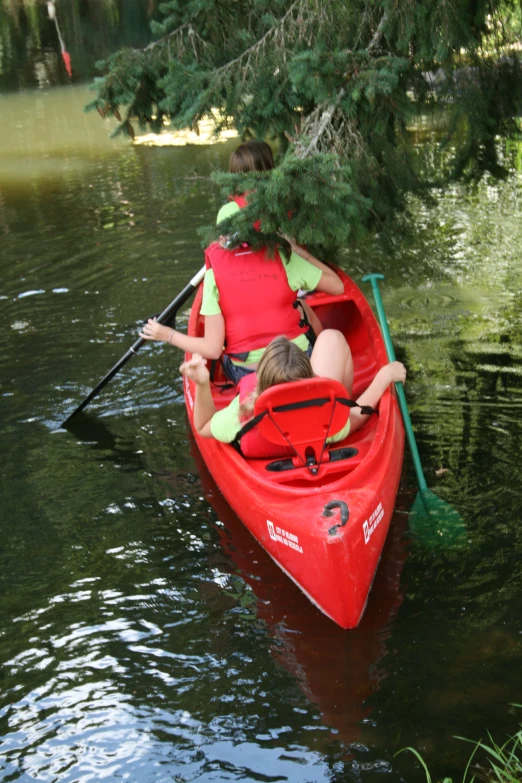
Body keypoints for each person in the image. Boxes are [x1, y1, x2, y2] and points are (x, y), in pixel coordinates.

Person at [140, 140, 340, 383]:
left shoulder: (216, 272)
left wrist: (167, 334)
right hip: (296, 362)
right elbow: (337, 286)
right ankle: (318, 355)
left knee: (295, 306)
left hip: (246, 372)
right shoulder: (284, 255)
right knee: (302, 306)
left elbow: (213, 349)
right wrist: (296, 250)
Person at [180, 333, 407, 456]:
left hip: (267, 452)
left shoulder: (240, 417)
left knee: (330, 339)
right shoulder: (326, 419)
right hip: (320, 428)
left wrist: (201, 384)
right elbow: (355, 417)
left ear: (261, 381)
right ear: (311, 377)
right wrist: (383, 377)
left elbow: (203, 426)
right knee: (331, 338)